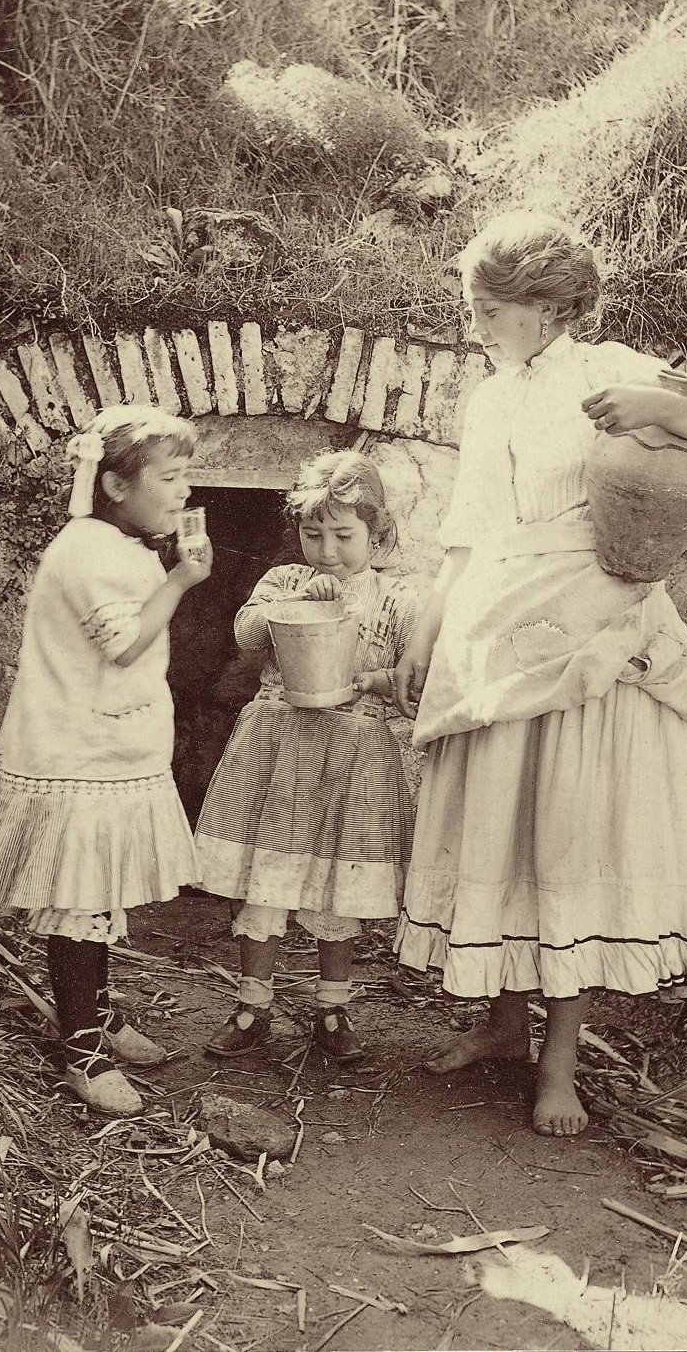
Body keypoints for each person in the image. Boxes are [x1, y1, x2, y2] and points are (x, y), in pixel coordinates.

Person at [393, 210, 687, 1137]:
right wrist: (424, 635)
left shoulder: (611, 370)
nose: (475, 323)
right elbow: (467, 530)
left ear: (551, 308)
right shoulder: (489, 399)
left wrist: (661, 410)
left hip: (600, 627)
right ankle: (501, 1027)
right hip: (506, 621)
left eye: (489, 308)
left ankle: (558, 1063)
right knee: (511, 822)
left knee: (571, 831)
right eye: (472, 306)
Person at [0, 405, 212, 1116]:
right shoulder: (88, 548)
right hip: (75, 750)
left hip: (108, 745)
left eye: (185, 475)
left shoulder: (118, 542)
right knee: (78, 899)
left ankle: (97, 1013)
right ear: (118, 485)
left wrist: (167, 571)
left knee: (97, 892)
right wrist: (183, 581)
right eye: (171, 476)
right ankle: (82, 1051)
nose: (183, 491)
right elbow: (122, 643)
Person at [195, 451, 419, 1064]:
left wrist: (367, 682)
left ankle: (332, 1006)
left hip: (353, 751)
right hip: (280, 746)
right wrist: (290, 607)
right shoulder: (283, 582)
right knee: (267, 880)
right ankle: (252, 1003)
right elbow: (244, 635)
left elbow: (414, 682)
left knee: (335, 888)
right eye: (313, 533)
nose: (327, 548)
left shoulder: (397, 596)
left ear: (378, 534)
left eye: (344, 535)